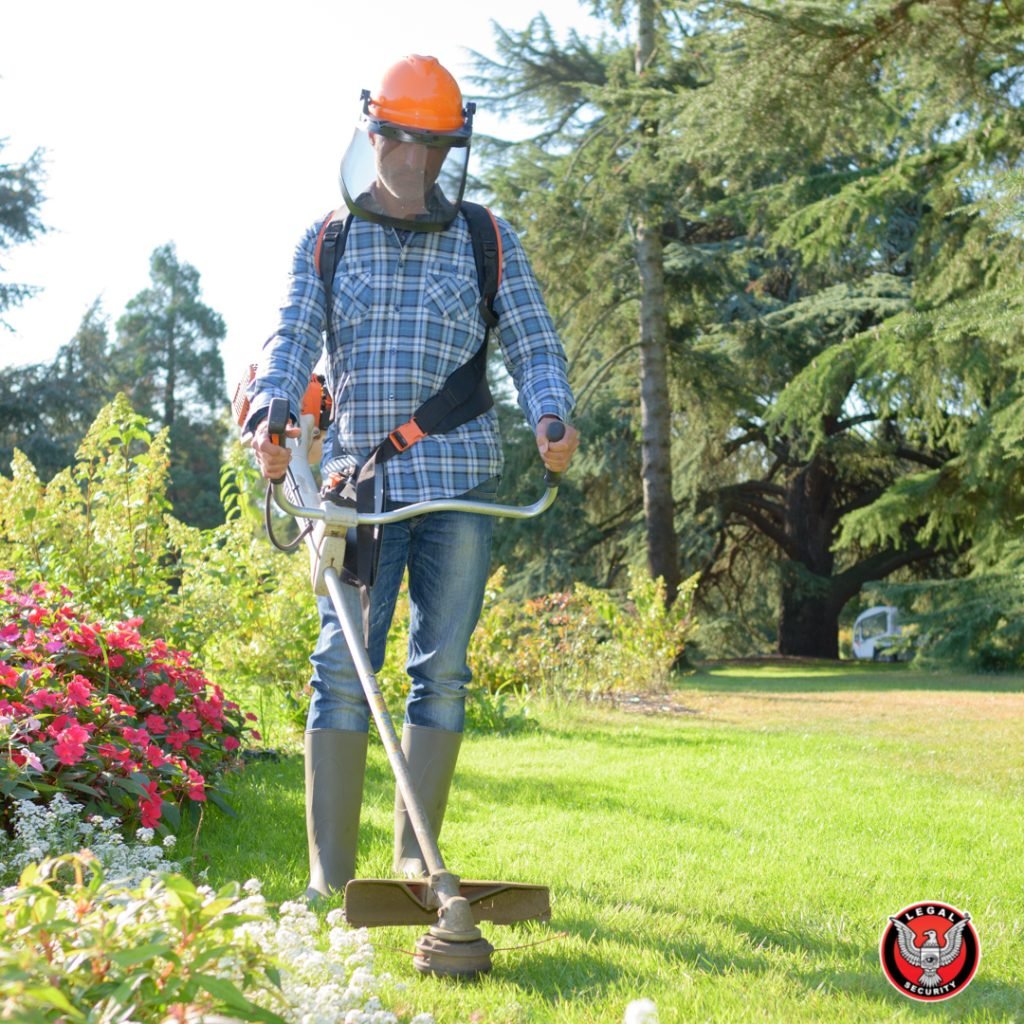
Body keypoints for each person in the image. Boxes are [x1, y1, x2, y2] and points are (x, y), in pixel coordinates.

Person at [245, 54, 579, 901]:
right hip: (361, 492)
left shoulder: (484, 237)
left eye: (431, 148)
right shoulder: (328, 237)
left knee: (443, 671)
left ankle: (413, 864)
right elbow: (291, 339)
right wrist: (272, 412)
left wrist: (552, 416)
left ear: (447, 152)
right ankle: (329, 879)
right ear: (374, 136)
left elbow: (535, 343)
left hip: (458, 486)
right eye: (399, 142)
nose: (413, 161)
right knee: (340, 668)